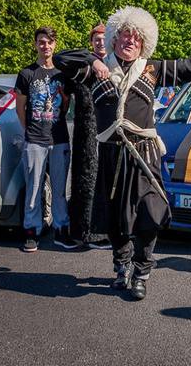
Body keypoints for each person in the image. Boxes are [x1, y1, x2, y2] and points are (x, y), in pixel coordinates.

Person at [53, 6, 191, 300]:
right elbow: (59, 58)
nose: (130, 42)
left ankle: (141, 272)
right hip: (111, 154)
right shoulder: (94, 71)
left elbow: (187, 66)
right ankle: (122, 267)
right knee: (116, 219)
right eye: (124, 37)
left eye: (135, 38)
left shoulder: (151, 70)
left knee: (150, 215)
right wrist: (94, 60)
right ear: (113, 40)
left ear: (143, 43)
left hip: (144, 155)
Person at [15, 26, 79, 252]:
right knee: (33, 188)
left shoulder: (62, 74)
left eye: (49, 42)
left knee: (60, 189)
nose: (46, 46)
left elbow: (67, 103)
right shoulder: (26, 74)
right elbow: (20, 107)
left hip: (59, 138)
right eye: (41, 42)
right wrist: (29, 130)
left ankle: (62, 229)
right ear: (36, 44)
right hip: (35, 139)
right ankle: (32, 231)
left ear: (55, 44)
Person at [65, 23, 112, 249]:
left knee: (103, 179)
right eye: (96, 39)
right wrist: (92, 60)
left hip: (107, 128)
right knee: (83, 179)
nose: (100, 42)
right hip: (84, 129)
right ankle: (80, 231)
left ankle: (101, 231)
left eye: (104, 39)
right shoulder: (83, 65)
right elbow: (61, 57)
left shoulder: (115, 64)